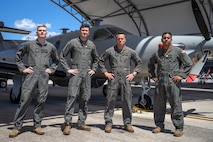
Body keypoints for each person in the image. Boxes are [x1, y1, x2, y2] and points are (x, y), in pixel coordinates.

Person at [9, 24, 59, 138]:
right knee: (25, 100)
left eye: (44, 31)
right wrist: (23, 69)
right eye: (40, 30)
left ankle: (37, 125)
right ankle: (17, 127)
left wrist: (51, 69)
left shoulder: (51, 47)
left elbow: (56, 60)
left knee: (41, 101)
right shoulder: (29, 45)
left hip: (43, 76)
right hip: (30, 75)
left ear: (46, 33)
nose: (42, 32)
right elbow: (18, 55)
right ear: (37, 33)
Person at [148, 32, 193, 137]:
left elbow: (188, 63)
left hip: (173, 82)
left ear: (171, 40)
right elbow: (150, 64)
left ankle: (178, 128)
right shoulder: (157, 53)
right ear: (162, 40)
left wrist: (181, 76)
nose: (166, 40)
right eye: (164, 38)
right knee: (159, 105)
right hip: (160, 83)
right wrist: (153, 76)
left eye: (168, 38)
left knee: (176, 105)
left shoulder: (178, 51)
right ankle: (159, 125)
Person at [98, 32, 143, 133]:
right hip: (113, 77)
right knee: (110, 101)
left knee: (127, 101)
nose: (120, 40)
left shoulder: (130, 52)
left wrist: (134, 74)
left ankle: (127, 123)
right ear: (116, 40)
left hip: (126, 78)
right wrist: (105, 73)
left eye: (122, 39)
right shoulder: (110, 51)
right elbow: (100, 61)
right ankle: (108, 123)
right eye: (118, 39)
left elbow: (139, 62)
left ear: (125, 40)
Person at [60, 24, 99, 135]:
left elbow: (96, 59)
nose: (84, 32)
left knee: (85, 98)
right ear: (79, 31)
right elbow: (62, 56)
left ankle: (81, 123)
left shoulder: (91, 45)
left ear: (89, 32)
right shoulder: (73, 43)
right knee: (72, 97)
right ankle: (68, 123)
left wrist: (94, 69)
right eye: (83, 30)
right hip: (75, 72)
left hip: (86, 74)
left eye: (86, 31)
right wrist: (67, 69)